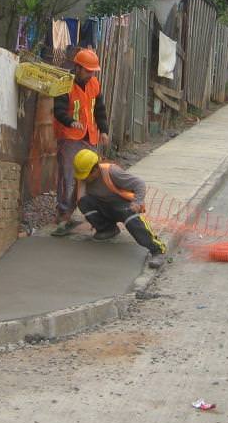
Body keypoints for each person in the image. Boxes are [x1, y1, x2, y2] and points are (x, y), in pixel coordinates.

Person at [73, 149, 167, 269]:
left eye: (86, 176)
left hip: (122, 206)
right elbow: (79, 199)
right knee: (84, 202)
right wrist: (66, 216)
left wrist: (137, 202)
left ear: (95, 170)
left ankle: (158, 250)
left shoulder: (111, 172)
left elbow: (139, 184)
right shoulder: (83, 178)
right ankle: (108, 229)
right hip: (105, 206)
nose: (83, 179)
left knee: (131, 219)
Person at [51, 48, 109, 236]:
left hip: (89, 136)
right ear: (78, 68)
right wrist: (71, 121)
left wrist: (104, 130)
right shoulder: (64, 84)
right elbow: (59, 110)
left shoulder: (94, 84)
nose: (91, 74)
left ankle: (85, 212)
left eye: (93, 71)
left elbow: (99, 109)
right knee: (68, 176)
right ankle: (63, 213)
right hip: (69, 137)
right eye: (88, 70)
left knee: (90, 176)